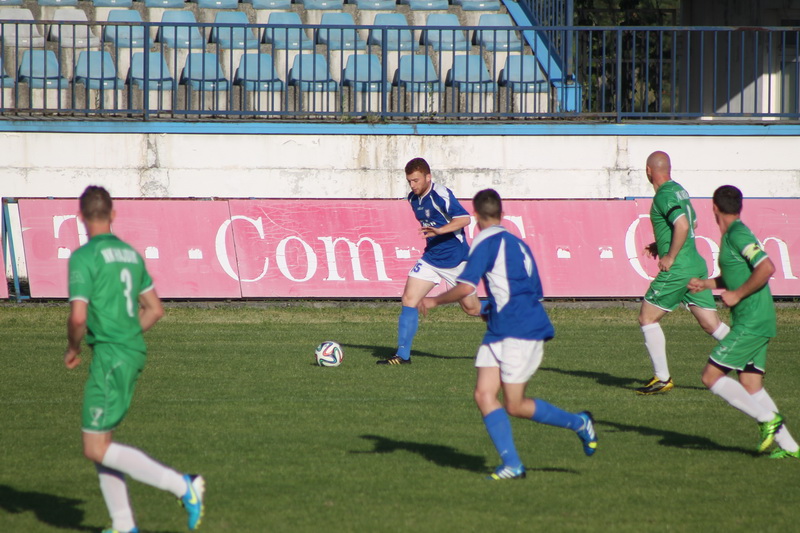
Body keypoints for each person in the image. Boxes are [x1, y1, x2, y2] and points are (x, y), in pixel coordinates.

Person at [419, 189, 598, 479]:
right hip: (502, 327)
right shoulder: (519, 244)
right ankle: (512, 465)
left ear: (475, 216)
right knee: (483, 394)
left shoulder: (485, 241)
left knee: (515, 404)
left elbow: (466, 287)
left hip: (520, 330)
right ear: (501, 214)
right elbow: (533, 292)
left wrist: (434, 301)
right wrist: (493, 310)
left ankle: (579, 422)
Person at [64, 186, 206, 533]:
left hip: (111, 357)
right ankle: (123, 525)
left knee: (94, 446)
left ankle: (183, 486)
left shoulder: (84, 257)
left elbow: (78, 317)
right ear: (113, 214)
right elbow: (154, 309)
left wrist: (73, 348)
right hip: (128, 352)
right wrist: (127, 335)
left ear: (81, 217)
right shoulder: (130, 254)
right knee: (101, 441)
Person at [688, 185, 798, 458]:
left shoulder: (738, 234)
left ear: (714, 207)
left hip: (752, 321)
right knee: (751, 384)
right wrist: (707, 284)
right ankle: (791, 448)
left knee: (710, 376)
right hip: (755, 320)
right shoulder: (733, 236)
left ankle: (767, 419)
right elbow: (738, 275)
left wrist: (737, 295)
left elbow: (766, 267)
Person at [635, 151, 730, 394]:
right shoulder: (679, 190)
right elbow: (693, 223)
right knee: (711, 324)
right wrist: (661, 244)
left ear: (648, 171)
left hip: (678, 269)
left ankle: (662, 378)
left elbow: (683, 225)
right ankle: (749, 356)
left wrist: (670, 255)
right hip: (695, 264)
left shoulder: (664, 195)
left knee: (647, 318)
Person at [377, 157, 481, 365]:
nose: (412, 185)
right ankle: (402, 356)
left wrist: (440, 230)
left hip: (456, 260)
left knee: (472, 309)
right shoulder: (413, 199)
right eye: (409, 181)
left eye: (416, 180)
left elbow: (464, 219)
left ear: (428, 177)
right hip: (431, 258)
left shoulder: (440, 194)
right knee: (409, 299)